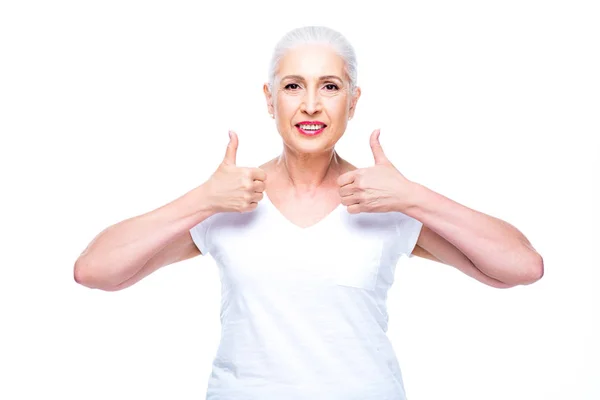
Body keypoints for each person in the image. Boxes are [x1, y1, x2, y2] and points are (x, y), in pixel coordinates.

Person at [74, 26, 544, 400]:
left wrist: (414, 196)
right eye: (294, 85)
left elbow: (521, 267)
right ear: (269, 97)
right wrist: (201, 198)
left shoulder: (386, 201)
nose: (311, 104)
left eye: (331, 86)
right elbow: (95, 271)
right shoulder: (230, 199)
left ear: (353, 101)